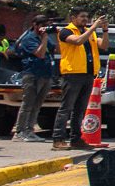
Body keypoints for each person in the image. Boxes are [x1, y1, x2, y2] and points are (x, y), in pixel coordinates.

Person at [53, 9, 106, 151]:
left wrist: (105, 31)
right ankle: (58, 139)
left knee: (80, 109)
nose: (85, 19)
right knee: (66, 108)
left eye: (87, 16)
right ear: (73, 17)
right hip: (73, 74)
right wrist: (93, 27)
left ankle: (76, 139)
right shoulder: (66, 31)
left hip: (88, 74)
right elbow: (77, 42)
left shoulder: (90, 32)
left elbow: (104, 45)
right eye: (82, 16)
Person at [12, 15, 59, 142]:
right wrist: (44, 39)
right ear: (35, 25)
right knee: (28, 104)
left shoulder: (44, 38)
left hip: (45, 74)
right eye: (42, 25)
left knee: (37, 105)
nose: (44, 28)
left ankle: (29, 130)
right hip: (33, 74)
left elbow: (55, 49)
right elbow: (40, 54)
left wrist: (56, 34)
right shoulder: (29, 38)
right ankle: (20, 131)